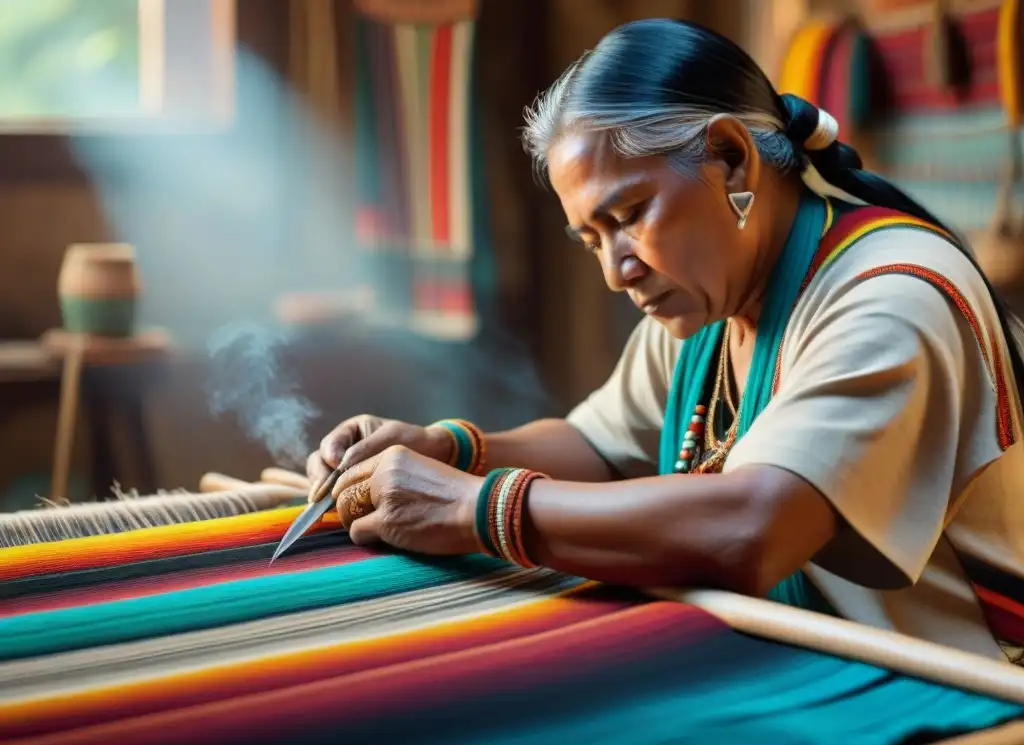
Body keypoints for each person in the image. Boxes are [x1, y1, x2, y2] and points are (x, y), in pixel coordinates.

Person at [308, 18, 1024, 663]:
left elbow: (753, 528)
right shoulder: (708, 302)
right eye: (592, 238)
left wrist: (472, 507)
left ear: (731, 160)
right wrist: (448, 449)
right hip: (817, 665)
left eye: (630, 214)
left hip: (963, 697)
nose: (617, 271)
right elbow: (599, 449)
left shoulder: (892, 297)